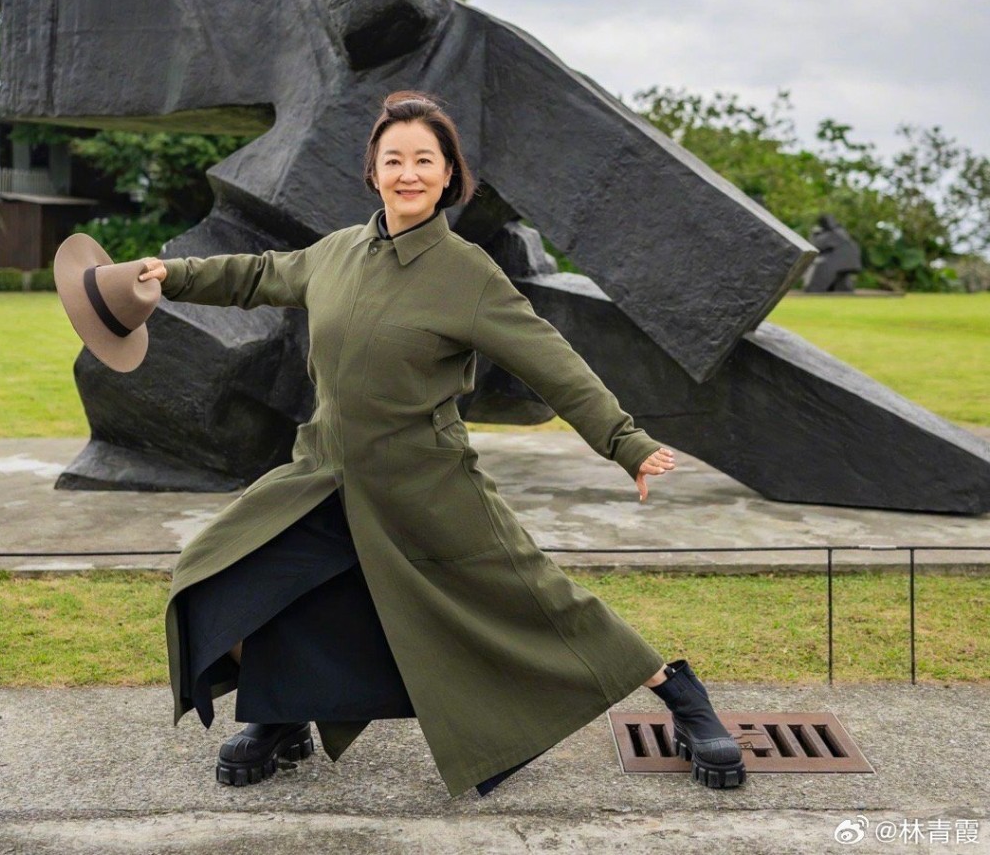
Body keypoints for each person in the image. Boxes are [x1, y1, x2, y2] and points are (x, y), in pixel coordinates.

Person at [139, 89, 747, 795]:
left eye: (424, 160)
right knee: (224, 573)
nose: (408, 172)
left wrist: (624, 441)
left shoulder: (467, 273)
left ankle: (680, 694)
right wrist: (170, 275)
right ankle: (283, 711)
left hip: (429, 485)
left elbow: (550, 359)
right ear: (372, 171)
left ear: (448, 174)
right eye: (393, 159)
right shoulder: (335, 253)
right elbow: (256, 273)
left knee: (539, 600)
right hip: (324, 475)